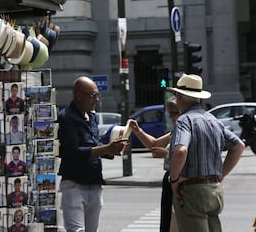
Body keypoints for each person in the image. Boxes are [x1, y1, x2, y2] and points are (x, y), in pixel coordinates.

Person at [167, 74, 245, 231]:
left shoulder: (185, 120)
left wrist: (174, 181)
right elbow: (238, 146)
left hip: (192, 192)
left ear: (180, 96)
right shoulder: (213, 120)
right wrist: (221, 174)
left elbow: (181, 150)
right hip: (214, 190)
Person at [57, 76, 129, 232]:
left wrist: (113, 150)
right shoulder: (66, 117)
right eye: (93, 96)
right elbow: (73, 152)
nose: (96, 100)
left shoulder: (92, 117)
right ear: (78, 95)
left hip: (94, 183)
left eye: (97, 95)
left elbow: (95, 144)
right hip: (75, 185)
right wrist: (107, 149)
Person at [128, 96, 179, 232]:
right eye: (171, 114)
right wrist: (138, 131)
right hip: (171, 180)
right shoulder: (176, 131)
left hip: (180, 182)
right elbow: (155, 144)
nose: (173, 117)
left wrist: (166, 154)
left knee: (174, 224)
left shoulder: (186, 129)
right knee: (168, 222)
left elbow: (187, 157)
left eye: (176, 113)